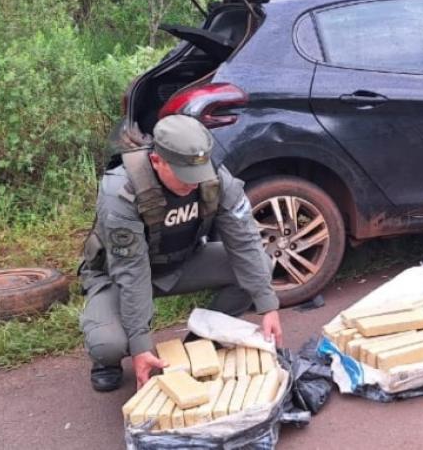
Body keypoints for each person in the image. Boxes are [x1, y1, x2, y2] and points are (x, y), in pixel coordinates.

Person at [78, 114, 282, 392]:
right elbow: (131, 271)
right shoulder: (121, 191)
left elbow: (244, 240)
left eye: (198, 175)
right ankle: (107, 362)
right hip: (118, 276)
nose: (193, 185)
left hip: (181, 261)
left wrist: (267, 304)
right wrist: (141, 344)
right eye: (184, 176)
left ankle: (200, 342)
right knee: (108, 345)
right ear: (157, 161)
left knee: (260, 265)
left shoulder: (214, 179)